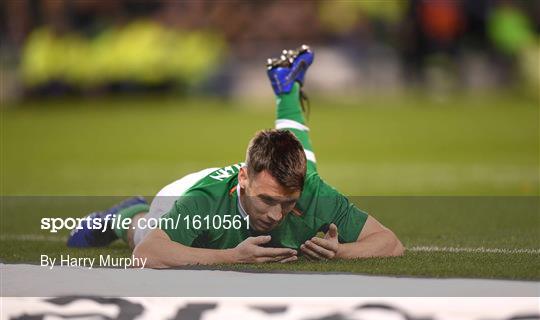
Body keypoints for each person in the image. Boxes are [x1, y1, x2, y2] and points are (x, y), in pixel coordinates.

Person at [67, 45, 404, 268]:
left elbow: (391, 243)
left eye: (287, 204)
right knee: (142, 232)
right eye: (267, 200)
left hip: (279, 180)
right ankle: (125, 215)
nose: (275, 214)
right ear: (244, 179)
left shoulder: (311, 192)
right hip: (176, 197)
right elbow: (147, 254)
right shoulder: (203, 202)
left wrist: (343, 250)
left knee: (307, 171)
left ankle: (287, 90)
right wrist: (231, 255)